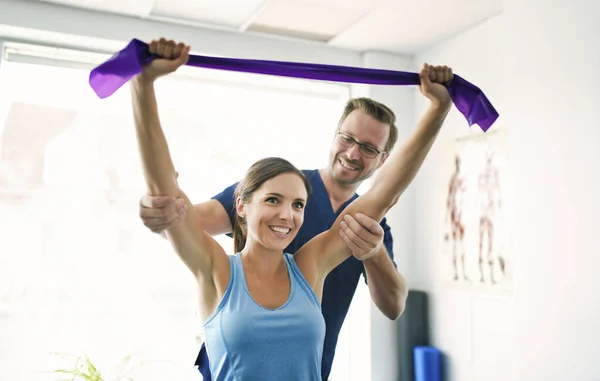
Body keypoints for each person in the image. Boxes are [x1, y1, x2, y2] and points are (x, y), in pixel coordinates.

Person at [132, 37, 453, 380]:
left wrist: (438, 110)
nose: (287, 214)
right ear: (241, 205)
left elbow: (387, 195)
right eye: (273, 200)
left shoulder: (311, 266)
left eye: (299, 204)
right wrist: (143, 83)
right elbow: (170, 201)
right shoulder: (216, 268)